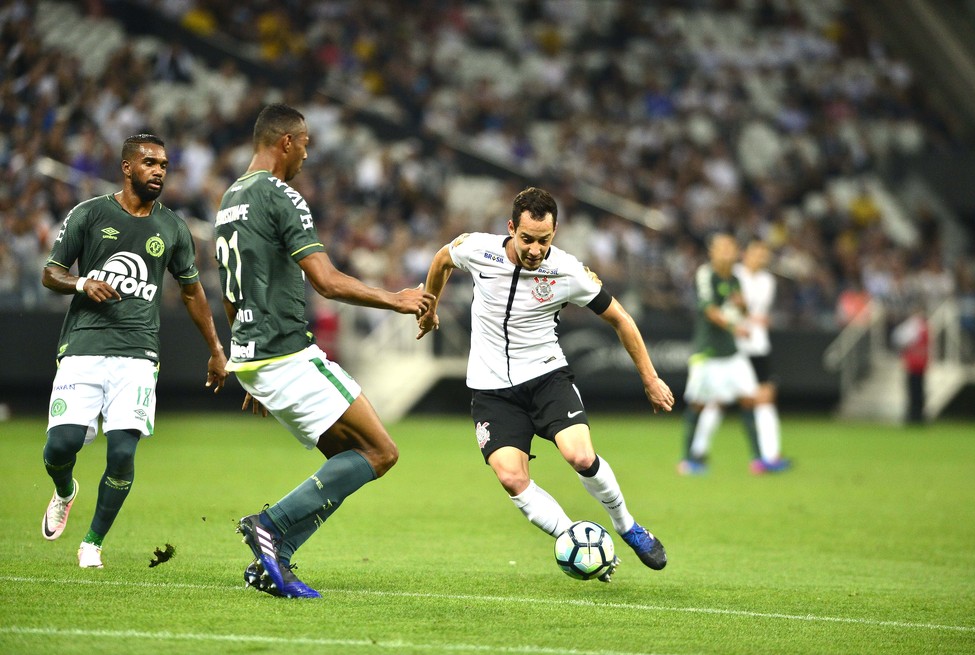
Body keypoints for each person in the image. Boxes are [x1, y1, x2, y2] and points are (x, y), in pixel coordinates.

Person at [216, 104, 433, 599]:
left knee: (346, 461)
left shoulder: (230, 199)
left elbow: (231, 293)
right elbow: (326, 281)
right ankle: (269, 526)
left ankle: (274, 559)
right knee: (381, 451)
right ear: (286, 142)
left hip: (257, 354)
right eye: (305, 144)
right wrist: (396, 299)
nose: (307, 154)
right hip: (286, 352)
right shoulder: (280, 195)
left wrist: (245, 356)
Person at [416, 187, 674, 581]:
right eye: (527, 239)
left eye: (544, 240)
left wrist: (650, 378)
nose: (536, 250)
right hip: (490, 387)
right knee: (511, 477)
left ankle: (628, 527)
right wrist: (430, 304)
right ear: (511, 228)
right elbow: (441, 259)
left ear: (554, 233)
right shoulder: (478, 249)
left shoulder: (568, 271)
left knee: (581, 457)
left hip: (545, 377)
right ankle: (577, 540)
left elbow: (620, 318)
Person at [40, 134, 228, 569]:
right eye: (149, 163)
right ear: (127, 167)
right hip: (84, 345)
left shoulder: (173, 227)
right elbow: (51, 273)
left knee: (122, 453)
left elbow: (192, 291)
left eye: (163, 164)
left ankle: (92, 543)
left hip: (138, 353)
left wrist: (216, 349)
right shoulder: (89, 214)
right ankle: (65, 491)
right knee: (60, 446)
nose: (159, 171)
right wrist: (82, 282)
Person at [677, 233, 787, 475]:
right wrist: (734, 326)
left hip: (732, 352)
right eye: (723, 248)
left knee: (749, 399)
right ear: (712, 252)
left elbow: (741, 309)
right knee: (698, 404)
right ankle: (687, 460)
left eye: (731, 247)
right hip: (707, 351)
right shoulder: (706, 274)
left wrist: (743, 307)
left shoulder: (735, 278)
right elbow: (709, 310)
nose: (727, 252)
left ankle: (758, 459)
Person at [891, 307, 929, 425]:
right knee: (917, 391)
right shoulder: (921, 327)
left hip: (914, 364)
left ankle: (915, 415)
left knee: (914, 391)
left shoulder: (915, 327)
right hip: (917, 364)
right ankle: (916, 415)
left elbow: (899, 338)